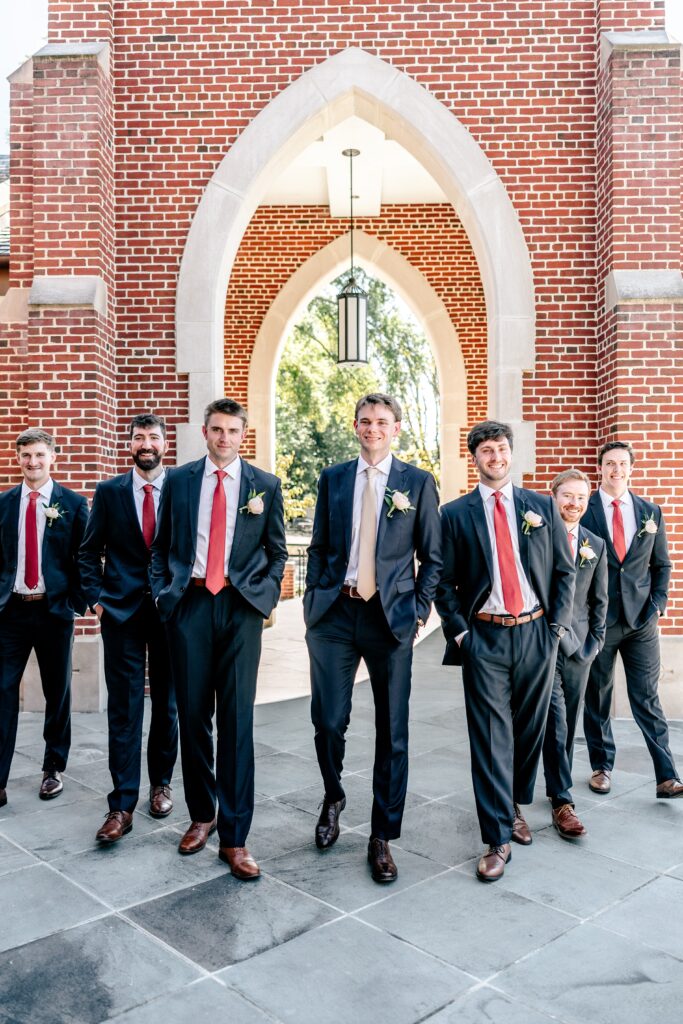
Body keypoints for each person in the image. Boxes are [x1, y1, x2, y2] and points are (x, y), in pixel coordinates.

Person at [304, 393, 441, 884]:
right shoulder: (334, 477)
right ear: (355, 426)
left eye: (382, 421)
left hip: (391, 618)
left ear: (396, 428)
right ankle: (334, 794)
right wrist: (314, 601)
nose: (373, 428)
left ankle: (382, 834)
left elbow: (434, 557)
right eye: (365, 421)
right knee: (327, 720)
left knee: (393, 730)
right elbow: (319, 545)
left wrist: (419, 611)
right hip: (336, 614)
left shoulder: (418, 483)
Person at [150, 398, 287, 879]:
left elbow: (277, 552)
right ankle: (202, 814)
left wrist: (262, 600)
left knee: (236, 722)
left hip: (239, 609)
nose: (224, 438)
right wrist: (163, 595)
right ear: (204, 432)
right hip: (188, 606)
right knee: (192, 717)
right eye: (216, 430)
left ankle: (236, 837)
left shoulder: (264, 486)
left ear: (242, 435)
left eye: (232, 431)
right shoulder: (181, 481)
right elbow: (162, 547)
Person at [435, 421, 575, 882]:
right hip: (485, 637)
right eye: (485, 450)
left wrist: (555, 627)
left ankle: (514, 801)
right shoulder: (455, 514)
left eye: (500, 449)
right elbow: (443, 582)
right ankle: (497, 836)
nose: (494, 456)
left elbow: (563, 571)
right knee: (490, 736)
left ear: (511, 454)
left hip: (536, 632)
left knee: (530, 729)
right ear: (474, 457)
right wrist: (460, 634)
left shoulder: (540, 506)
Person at [80, 413, 178, 843]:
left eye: (153, 437)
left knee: (168, 704)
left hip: (170, 615)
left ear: (164, 444)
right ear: (130, 445)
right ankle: (121, 804)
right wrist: (98, 602)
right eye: (138, 437)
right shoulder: (109, 492)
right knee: (123, 709)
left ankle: (161, 784)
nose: (146, 443)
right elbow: (88, 553)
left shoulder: (181, 488)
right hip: (119, 615)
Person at [581, 441, 681, 798]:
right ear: (600, 468)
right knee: (598, 695)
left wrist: (658, 604)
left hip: (641, 621)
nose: (616, 470)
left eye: (622, 464)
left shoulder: (650, 512)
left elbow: (662, 565)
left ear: (631, 468)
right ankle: (601, 767)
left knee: (647, 697)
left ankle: (666, 775)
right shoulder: (585, 510)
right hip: (600, 621)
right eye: (609, 464)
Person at [0, 428, 88, 807]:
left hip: (54, 611)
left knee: (57, 692)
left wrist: (75, 602)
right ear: (17, 459)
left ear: (53, 457)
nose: (32, 462)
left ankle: (53, 767)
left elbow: (84, 558)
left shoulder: (73, 503)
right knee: (2, 691)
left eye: (39, 455)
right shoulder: (4, 504)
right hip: (12, 611)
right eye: (25, 456)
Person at [542, 469, 608, 837]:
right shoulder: (535, 536)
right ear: (553, 496)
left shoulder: (594, 544)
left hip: (580, 648)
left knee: (566, 724)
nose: (574, 503)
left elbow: (600, 600)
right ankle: (562, 800)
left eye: (581, 497)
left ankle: (557, 790)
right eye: (567, 495)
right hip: (542, 645)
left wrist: (594, 643)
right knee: (554, 720)